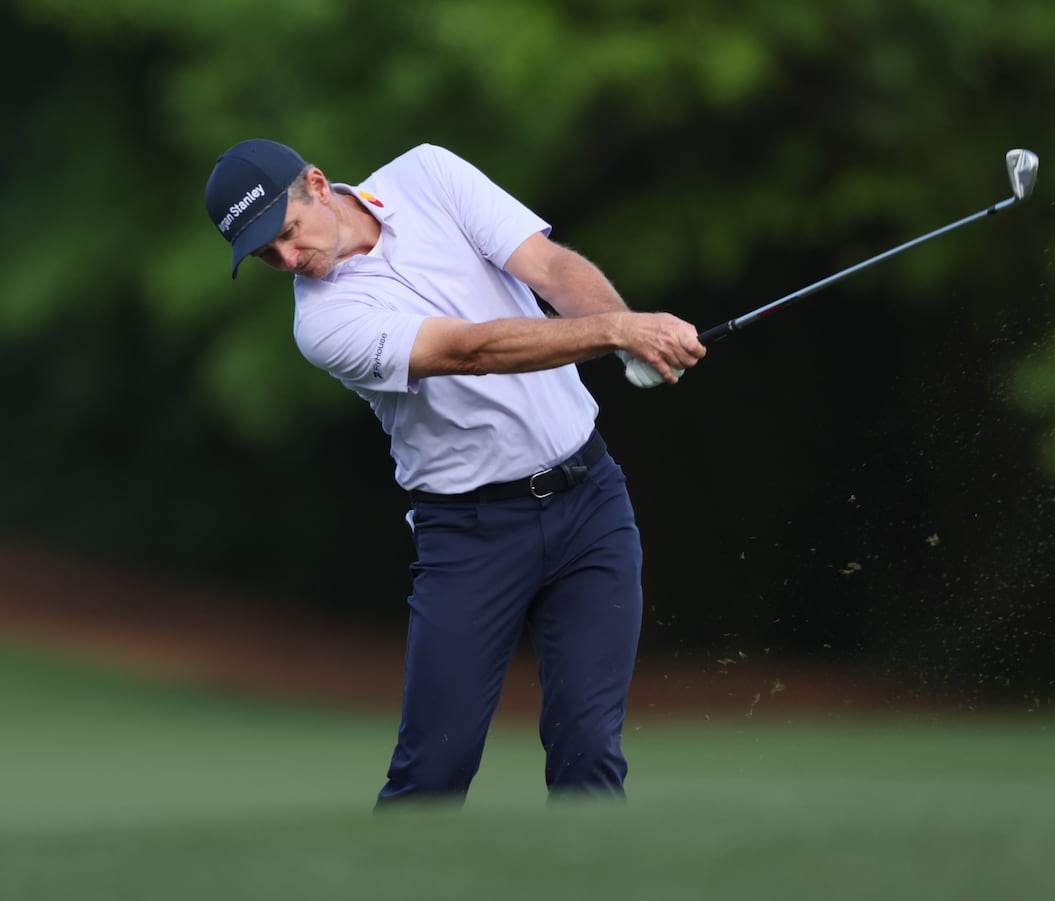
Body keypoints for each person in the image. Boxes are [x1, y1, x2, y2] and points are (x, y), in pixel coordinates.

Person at [204, 138, 705, 804]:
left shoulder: (428, 174)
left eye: (288, 232)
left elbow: (549, 268)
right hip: (470, 535)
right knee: (433, 772)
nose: (289, 259)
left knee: (589, 751)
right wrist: (618, 333)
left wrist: (628, 331)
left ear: (318, 186)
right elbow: (472, 352)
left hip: (591, 504)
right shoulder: (322, 323)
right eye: (268, 255)